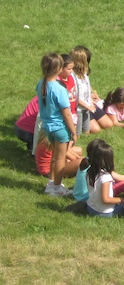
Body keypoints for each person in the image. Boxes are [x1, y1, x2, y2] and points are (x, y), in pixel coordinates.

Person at [37, 53, 77, 197]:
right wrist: (73, 131)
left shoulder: (41, 83)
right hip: (60, 128)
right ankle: (58, 188)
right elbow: (66, 113)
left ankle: (51, 183)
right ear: (59, 68)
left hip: (47, 127)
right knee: (60, 158)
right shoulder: (59, 88)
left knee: (55, 156)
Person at [71, 46, 113, 134]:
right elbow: (75, 96)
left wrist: (92, 95)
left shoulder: (84, 72)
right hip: (80, 107)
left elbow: (86, 86)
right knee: (96, 130)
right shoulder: (72, 76)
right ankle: (80, 124)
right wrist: (88, 106)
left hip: (89, 104)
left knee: (109, 124)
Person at [86, 140, 124, 218]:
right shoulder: (105, 177)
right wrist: (121, 200)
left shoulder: (89, 171)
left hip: (90, 208)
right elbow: (106, 199)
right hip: (104, 213)